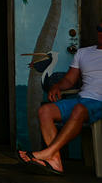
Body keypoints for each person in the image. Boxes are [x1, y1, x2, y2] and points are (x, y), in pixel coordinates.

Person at [18, 21, 102, 175]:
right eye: (100, 29)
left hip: (99, 103)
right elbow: (69, 80)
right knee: (45, 111)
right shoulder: (83, 53)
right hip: (82, 101)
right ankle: (55, 160)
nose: (101, 32)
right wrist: (57, 86)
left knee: (78, 109)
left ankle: (45, 153)